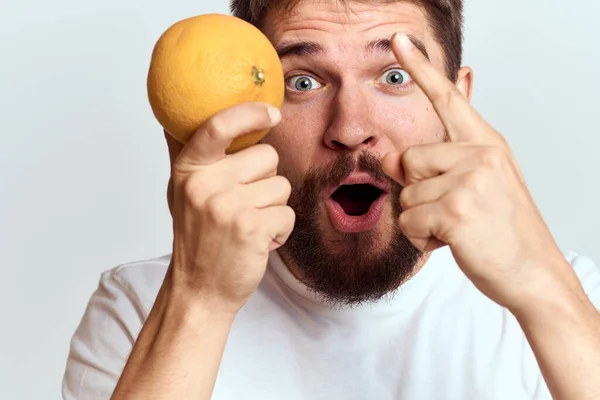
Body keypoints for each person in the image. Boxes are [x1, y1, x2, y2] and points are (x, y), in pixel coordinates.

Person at [62, 0, 600, 399]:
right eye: (303, 82)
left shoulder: (574, 300)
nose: (349, 128)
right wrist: (198, 297)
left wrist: (542, 288)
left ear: (458, 100)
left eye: (394, 76)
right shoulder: (142, 309)